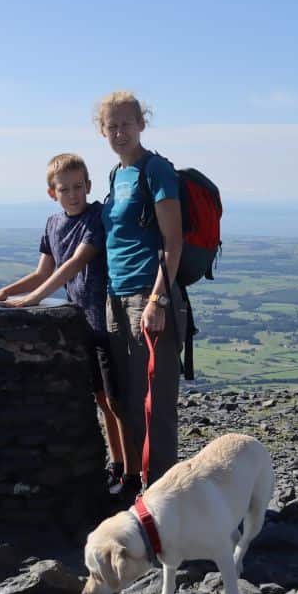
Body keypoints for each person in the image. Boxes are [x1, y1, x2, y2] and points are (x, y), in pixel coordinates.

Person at [0, 153, 127, 494]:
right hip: (82, 326)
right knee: (101, 399)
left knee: (115, 402)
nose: (73, 194)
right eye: (65, 189)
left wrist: (33, 300)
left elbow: (75, 262)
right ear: (52, 193)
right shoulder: (52, 224)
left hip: (105, 323)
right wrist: (1, 293)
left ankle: (129, 473)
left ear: (89, 187)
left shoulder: (96, 218)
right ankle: (116, 466)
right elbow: (42, 272)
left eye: (78, 187)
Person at [97, 91, 186, 499]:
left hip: (149, 299)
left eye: (126, 123)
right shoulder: (118, 175)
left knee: (156, 408)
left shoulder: (157, 170)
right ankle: (145, 496)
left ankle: (166, 504)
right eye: (111, 125)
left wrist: (158, 300)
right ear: (102, 130)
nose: (119, 131)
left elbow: (173, 241)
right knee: (131, 403)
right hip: (117, 298)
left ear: (141, 125)